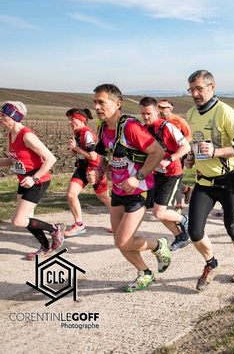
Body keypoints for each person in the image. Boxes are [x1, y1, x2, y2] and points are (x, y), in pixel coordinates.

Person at [88, 84, 171, 293]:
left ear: (117, 104)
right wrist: (101, 170)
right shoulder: (102, 126)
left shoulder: (130, 127)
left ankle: (159, 246)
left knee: (124, 240)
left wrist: (137, 177)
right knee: (120, 242)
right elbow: (106, 155)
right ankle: (144, 272)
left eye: (101, 102)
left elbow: (157, 153)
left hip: (139, 191)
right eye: (95, 102)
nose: (97, 106)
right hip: (118, 191)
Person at [184, 70, 234, 291]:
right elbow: (198, 143)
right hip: (204, 182)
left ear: (212, 87)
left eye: (199, 89)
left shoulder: (225, 112)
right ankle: (211, 263)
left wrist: (216, 152)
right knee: (194, 231)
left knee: (232, 228)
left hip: (228, 181)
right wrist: (192, 157)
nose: (195, 93)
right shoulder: (191, 113)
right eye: (191, 89)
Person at [0, 101, 64, 260]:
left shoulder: (27, 136)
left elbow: (51, 159)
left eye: (3, 115)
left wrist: (33, 178)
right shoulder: (10, 134)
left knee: (18, 220)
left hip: (37, 180)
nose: (0, 118)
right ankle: (45, 246)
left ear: (14, 117)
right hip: (24, 180)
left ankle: (55, 229)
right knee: (26, 219)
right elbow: (14, 159)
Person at [139, 97, 191, 251]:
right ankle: (181, 236)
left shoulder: (167, 127)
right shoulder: (143, 128)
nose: (146, 117)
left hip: (172, 173)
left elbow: (186, 147)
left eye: (149, 113)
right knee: (158, 211)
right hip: (155, 173)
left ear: (157, 112)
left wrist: (169, 159)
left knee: (159, 212)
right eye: (142, 114)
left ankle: (184, 220)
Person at [63, 108, 112, 237]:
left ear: (81, 120)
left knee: (103, 197)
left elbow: (93, 156)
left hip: (95, 169)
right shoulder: (77, 132)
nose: (70, 122)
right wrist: (74, 151)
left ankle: (119, 220)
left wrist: (76, 148)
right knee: (71, 194)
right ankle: (79, 224)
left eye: (72, 119)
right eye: (69, 119)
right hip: (82, 168)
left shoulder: (87, 134)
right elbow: (79, 151)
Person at [157, 99, 192, 211]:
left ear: (170, 109)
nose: (160, 110)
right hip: (163, 155)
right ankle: (186, 190)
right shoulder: (158, 121)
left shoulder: (179, 121)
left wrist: (178, 151)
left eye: (163, 108)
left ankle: (179, 206)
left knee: (174, 176)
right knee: (165, 178)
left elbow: (189, 137)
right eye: (159, 107)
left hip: (178, 154)